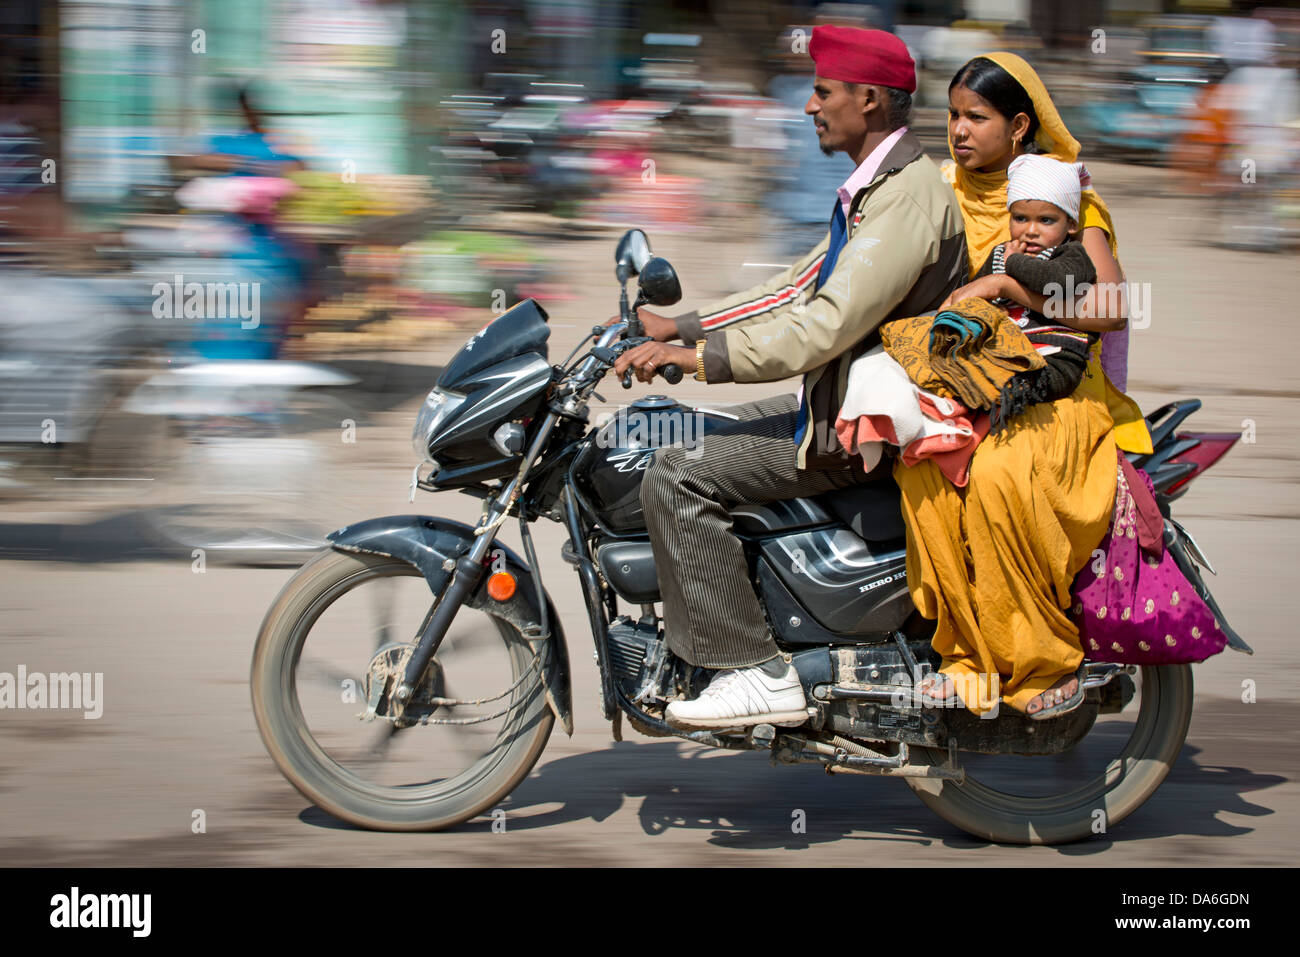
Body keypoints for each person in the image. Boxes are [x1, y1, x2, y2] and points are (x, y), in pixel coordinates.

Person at [611, 25, 967, 731]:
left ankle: (754, 669)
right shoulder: (880, 187)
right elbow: (797, 285)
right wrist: (680, 327)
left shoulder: (906, 201)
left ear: (867, 100)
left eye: (822, 91)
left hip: (863, 429)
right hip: (841, 400)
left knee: (675, 472)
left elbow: (821, 327)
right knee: (690, 431)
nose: (809, 106)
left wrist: (699, 361)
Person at [898, 53, 1153, 719]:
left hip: (1060, 388)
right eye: (952, 115)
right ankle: (963, 659)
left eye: (975, 117)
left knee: (1001, 474)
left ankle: (1041, 659)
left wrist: (1012, 286)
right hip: (977, 377)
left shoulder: (1072, 202)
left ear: (1018, 126)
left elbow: (1108, 307)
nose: (958, 129)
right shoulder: (939, 192)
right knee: (922, 465)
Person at [958, 152, 1101, 420]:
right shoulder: (1003, 253)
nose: (1031, 230)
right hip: (1006, 348)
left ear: (1071, 224)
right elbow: (979, 290)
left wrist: (1014, 264)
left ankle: (1016, 393)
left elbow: (1053, 282)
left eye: (1046, 220)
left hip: (1055, 353)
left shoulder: (1072, 256)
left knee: (1050, 376)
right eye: (1021, 218)